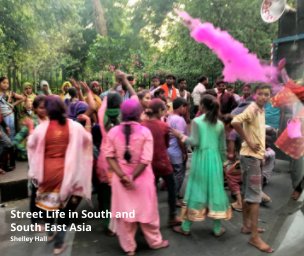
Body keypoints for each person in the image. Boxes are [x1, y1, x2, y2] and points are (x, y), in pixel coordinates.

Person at [27, 96, 93, 255]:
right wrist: (88, 124)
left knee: (49, 206)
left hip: (47, 172)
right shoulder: (75, 126)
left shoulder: (42, 128)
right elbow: (87, 140)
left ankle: (50, 234)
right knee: (66, 211)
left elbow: (30, 144)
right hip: (69, 173)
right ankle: (58, 243)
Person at [105, 99, 169, 256]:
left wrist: (122, 176)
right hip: (142, 179)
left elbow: (109, 156)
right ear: (138, 113)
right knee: (148, 213)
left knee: (125, 217)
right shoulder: (144, 131)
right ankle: (155, 242)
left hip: (121, 181)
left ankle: (129, 248)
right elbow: (146, 160)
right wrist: (132, 177)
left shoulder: (113, 132)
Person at [172, 94, 231, 237]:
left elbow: (194, 142)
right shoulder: (219, 124)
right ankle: (217, 229)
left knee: (196, 189)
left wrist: (180, 135)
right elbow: (222, 147)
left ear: (202, 106)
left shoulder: (197, 121)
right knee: (215, 190)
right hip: (215, 160)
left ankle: (186, 227)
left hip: (201, 160)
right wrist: (224, 164)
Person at [232, 84, 274, 253]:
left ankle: (246, 226)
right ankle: (255, 237)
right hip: (250, 157)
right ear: (255, 95)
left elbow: (258, 133)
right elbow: (235, 122)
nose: (264, 97)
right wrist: (248, 141)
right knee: (255, 197)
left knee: (247, 192)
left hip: (252, 157)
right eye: (261, 94)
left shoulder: (261, 110)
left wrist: (261, 154)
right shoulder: (253, 108)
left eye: (266, 94)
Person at [142, 98, 180, 227]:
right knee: (172, 187)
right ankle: (172, 216)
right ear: (159, 110)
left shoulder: (142, 125)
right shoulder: (164, 126)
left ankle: (146, 218)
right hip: (162, 161)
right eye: (164, 110)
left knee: (149, 190)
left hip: (147, 163)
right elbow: (166, 144)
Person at [167, 98, 188, 203]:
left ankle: (174, 195)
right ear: (181, 107)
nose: (186, 110)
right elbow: (181, 139)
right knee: (179, 175)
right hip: (177, 152)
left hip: (169, 150)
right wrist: (184, 152)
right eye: (185, 107)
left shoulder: (169, 117)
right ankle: (174, 198)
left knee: (174, 174)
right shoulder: (179, 120)